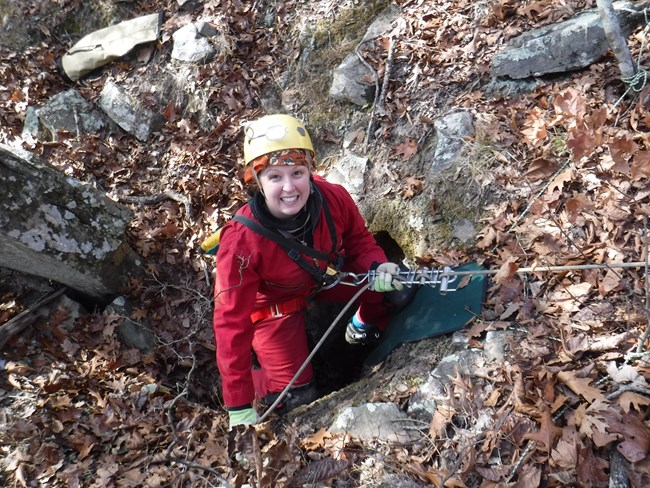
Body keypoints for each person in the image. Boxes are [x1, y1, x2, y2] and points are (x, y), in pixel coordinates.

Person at [213, 114, 405, 429]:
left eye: (298, 173)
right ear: (256, 182)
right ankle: (256, 380)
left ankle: (362, 326)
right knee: (298, 396)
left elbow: (358, 241)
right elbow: (230, 322)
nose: (289, 187)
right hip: (274, 307)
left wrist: (377, 265)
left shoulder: (333, 198)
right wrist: (238, 402)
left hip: (320, 279)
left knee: (396, 286)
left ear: (310, 172)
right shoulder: (241, 243)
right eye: (274, 177)